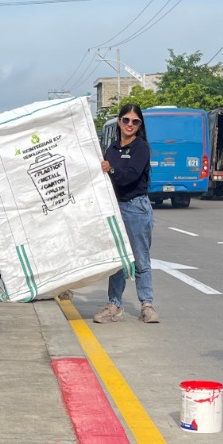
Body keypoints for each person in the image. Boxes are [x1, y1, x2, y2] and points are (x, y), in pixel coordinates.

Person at [93, 100, 157, 324]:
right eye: (126, 120)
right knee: (117, 259)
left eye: (135, 121)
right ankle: (114, 305)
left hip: (136, 208)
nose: (130, 124)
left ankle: (147, 305)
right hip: (115, 207)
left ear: (140, 125)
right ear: (119, 121)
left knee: (141, 259)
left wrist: (111, 169)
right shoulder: (111, 148)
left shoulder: (141, 148)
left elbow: (130, 176)